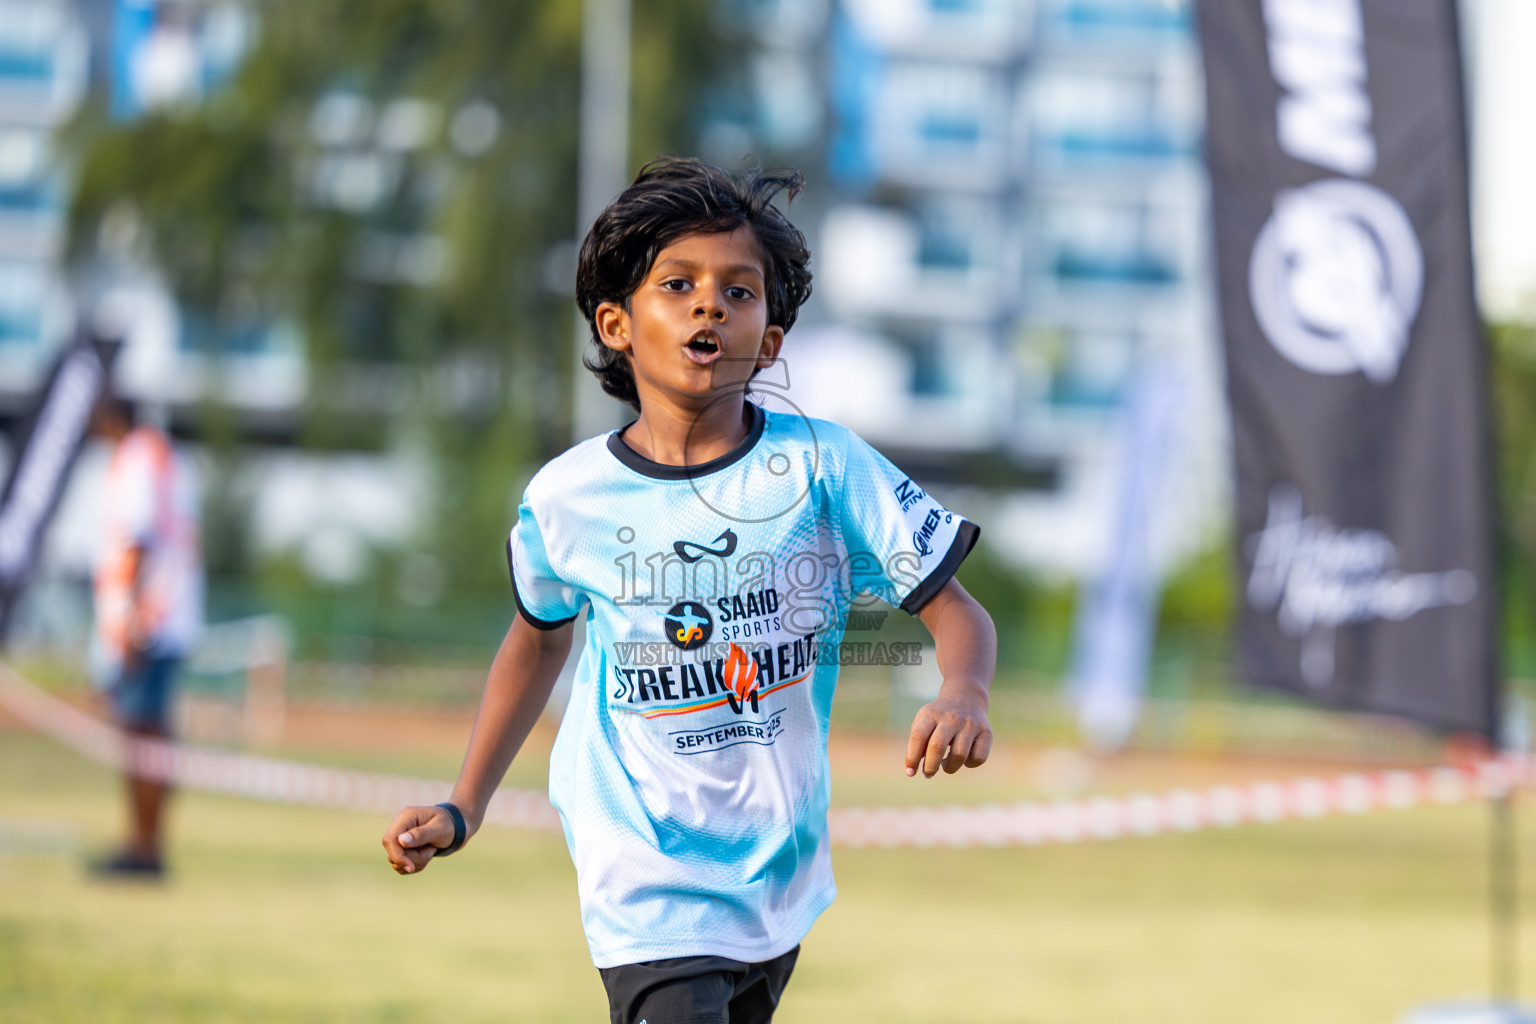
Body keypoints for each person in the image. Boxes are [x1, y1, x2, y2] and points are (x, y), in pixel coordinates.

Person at [381, 157, 996, 1023]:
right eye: (678, 285)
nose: (711, 305)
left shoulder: (824, 467)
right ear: (617, 325)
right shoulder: (567, 499)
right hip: (644, 875)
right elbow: (537, 642)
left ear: (769, 342)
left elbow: (954, 609)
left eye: (738, 292)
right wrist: (464, 804)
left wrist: (964, 690)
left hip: (775, 875)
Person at [88, 391, 203, 879]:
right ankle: (143, 844)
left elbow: (138, 539)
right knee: (149, 735)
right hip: (166, 617)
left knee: (142, 736)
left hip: (149, 623)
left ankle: (144, 848)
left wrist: (130, 622)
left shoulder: (137, 458)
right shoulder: (165, 455)